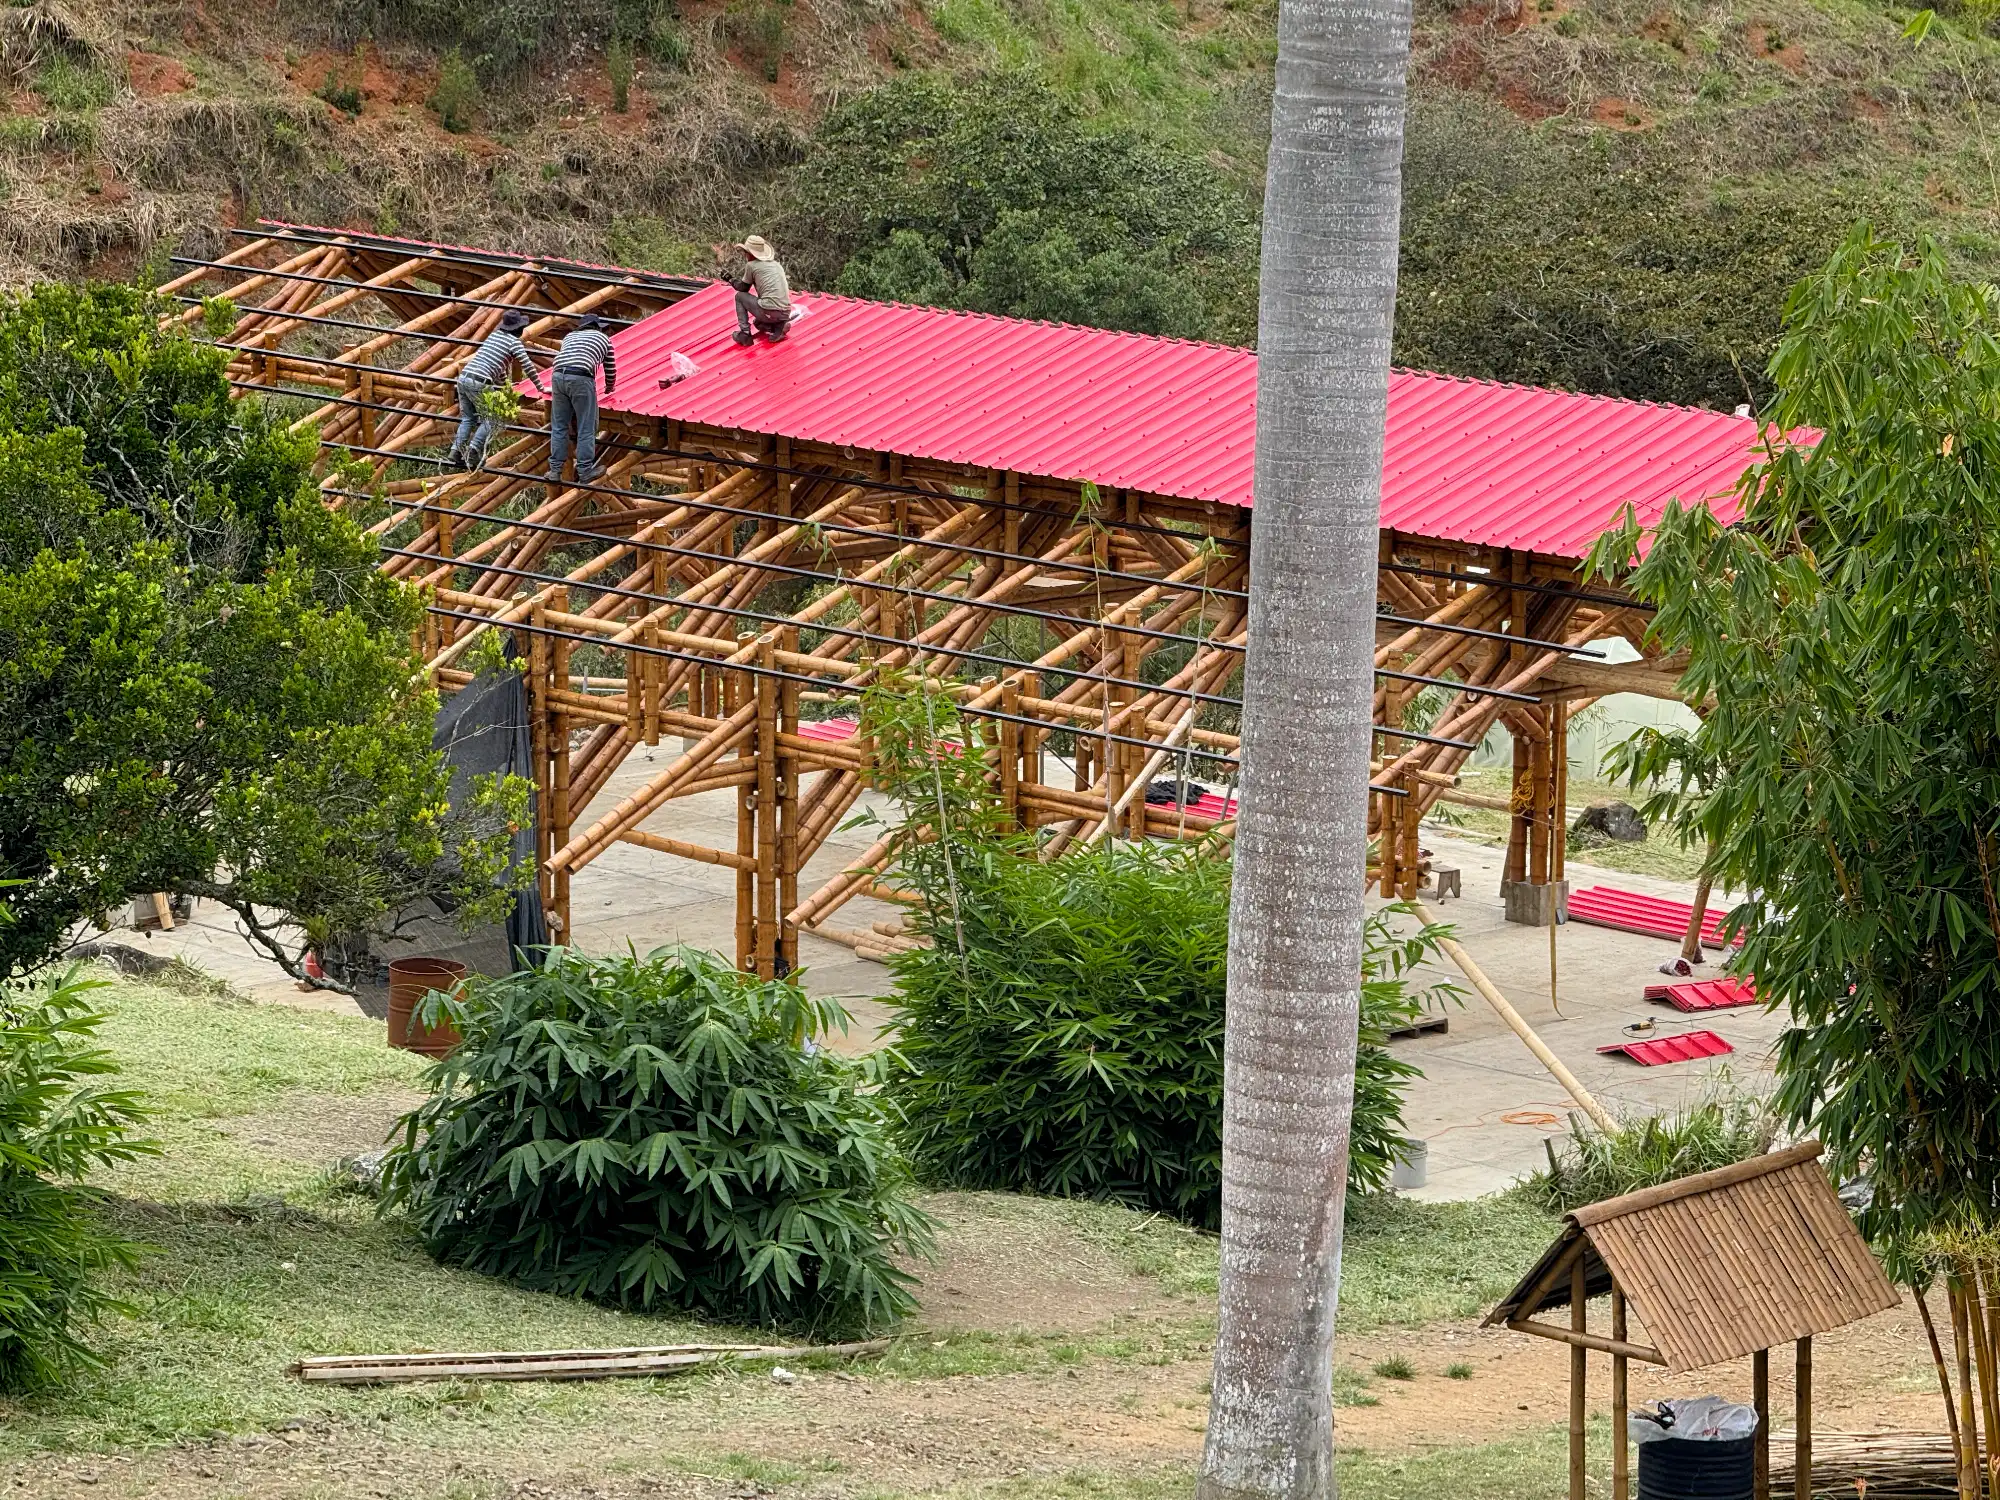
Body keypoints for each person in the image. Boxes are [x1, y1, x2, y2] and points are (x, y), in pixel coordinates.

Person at [450, 310, 546, 470]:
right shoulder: (514, 342)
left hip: (464, 378)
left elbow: (498, 369)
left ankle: (455, 451)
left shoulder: (493, 337)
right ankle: (474, 450)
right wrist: (540, 387)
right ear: (518, 329)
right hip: (479, 382)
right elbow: (527, 365)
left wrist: (505, 386)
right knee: (493, 417)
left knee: (468, 418)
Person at [548, 314, 618, 485]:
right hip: (581, 378)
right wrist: (609, 387)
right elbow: (610, 369)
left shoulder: (569, 336)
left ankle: (555, 471)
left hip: (557, 376)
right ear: (597, 327)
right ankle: (585, 471)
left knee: (559, 425)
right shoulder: (603, 339)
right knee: (586, 426)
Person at [719, 235, 792, 346]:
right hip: (785, 312)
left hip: (770, 310)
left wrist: (730, 279)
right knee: (758, 323)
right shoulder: (776, 265)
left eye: (746, 253)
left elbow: (743, 288)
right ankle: (778, 327)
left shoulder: (752, 265)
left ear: (751, 254)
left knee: (739, 296)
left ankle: (745, 334)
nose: (745, 255)